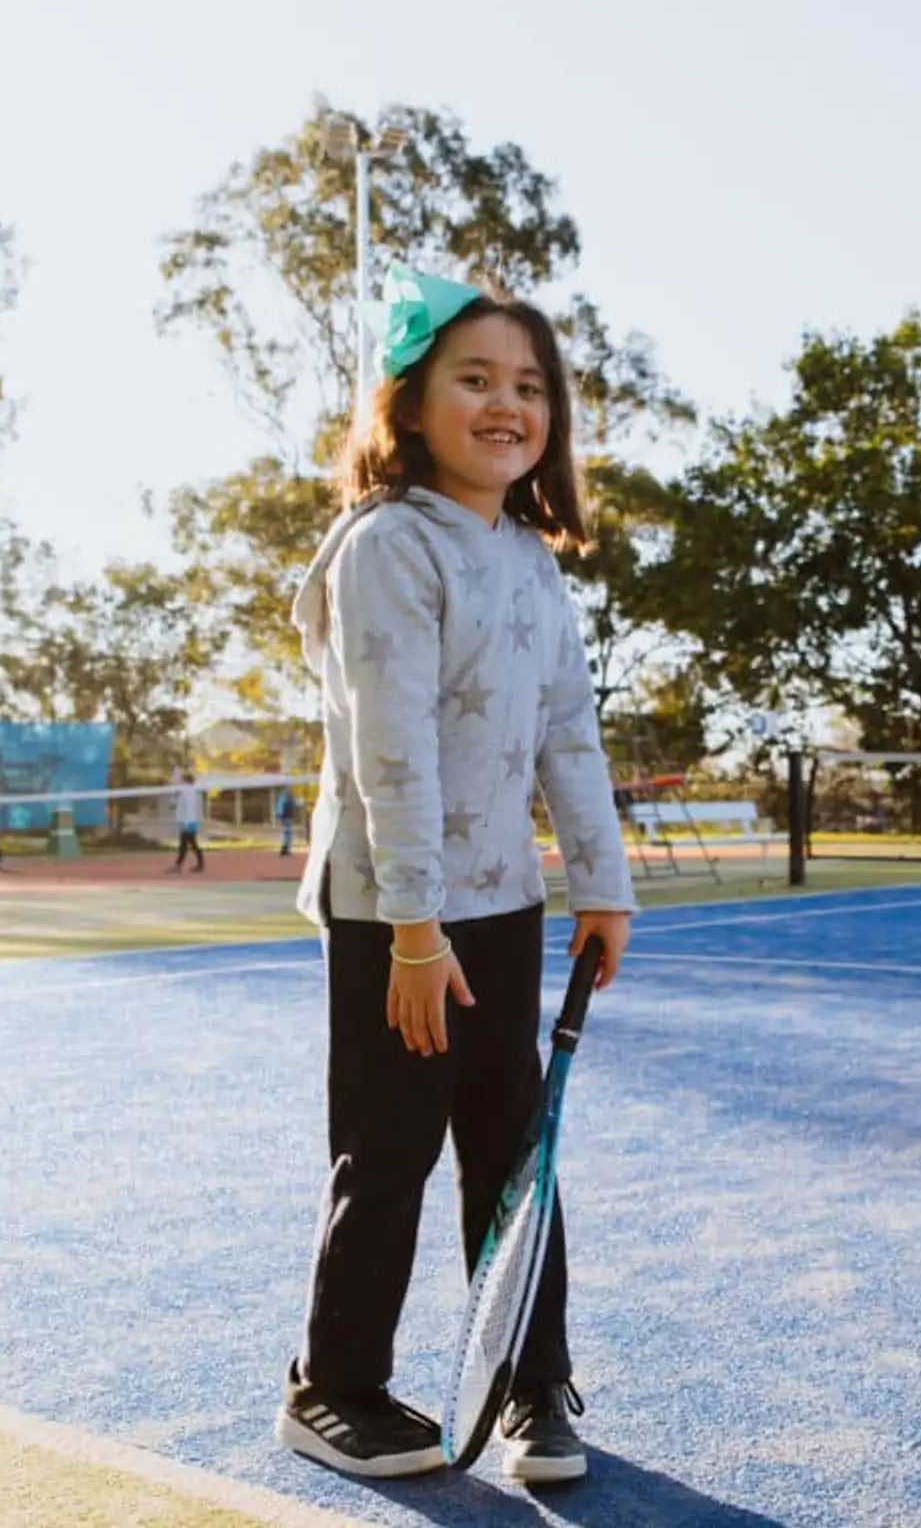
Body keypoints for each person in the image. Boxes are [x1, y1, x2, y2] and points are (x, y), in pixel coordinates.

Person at [278, 264, 636, 1484]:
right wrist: (415, 930)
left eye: (527, 385)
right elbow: (394, 749)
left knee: (510, 1147)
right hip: (395, 911)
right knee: (390, 1150)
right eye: (472, 377)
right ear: (409, 401)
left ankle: (533, 1385)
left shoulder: (532, 561)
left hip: (502, 902)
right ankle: (333, 1388)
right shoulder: (386, 544)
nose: (505, 404)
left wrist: (603, 883)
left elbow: (568, 732)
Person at [170, 770, 204, 874]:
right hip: (187, 821)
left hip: (188, 822)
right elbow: (176, 806)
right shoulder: (185, 791)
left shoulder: (188, 791)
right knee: (190, 844)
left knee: (186, 845)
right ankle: (198, 865)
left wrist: (186, 823)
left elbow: (188, 807)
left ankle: (179, 866)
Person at [275, 786, 299, 857]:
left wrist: (279, 815)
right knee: (288, 833)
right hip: (287, 817)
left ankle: (286, 848)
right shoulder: (289, 797)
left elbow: (279, 807)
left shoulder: (286, 797)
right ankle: (286, 849)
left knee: (287, 833)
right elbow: (297, 804)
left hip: (287, 817)